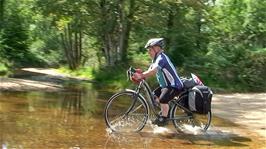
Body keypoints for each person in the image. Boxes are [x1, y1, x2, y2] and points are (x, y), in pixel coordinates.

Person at [133, 38, 184, 126]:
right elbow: (150, 70)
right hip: (166, 86)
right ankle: (165, 112)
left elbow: (153, 71)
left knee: (163, 100)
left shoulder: (161, 58)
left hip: (174, 85)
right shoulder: (155, 59)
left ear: (156, 48)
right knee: (153, 97)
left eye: (150, 49)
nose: (148, 52)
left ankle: (164, 119)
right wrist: (139, 73)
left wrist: (141, 76)